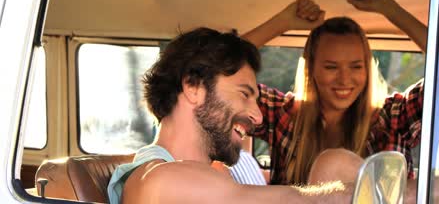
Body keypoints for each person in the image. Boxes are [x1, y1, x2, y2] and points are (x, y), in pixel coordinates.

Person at [107, 27, 357, 204]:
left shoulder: (207, 176)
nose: (258, 117)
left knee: (334, 163)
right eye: (244, 94)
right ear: (193, 87)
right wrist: (365, 194)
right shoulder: (158, 180)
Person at [243, 0, 427, 185]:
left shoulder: (394, 119)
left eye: (356, 67)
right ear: (311, 69)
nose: (344, 79)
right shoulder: (284, 115)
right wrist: (282, 22)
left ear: (367, 69)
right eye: (331, 67)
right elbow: (213, 75)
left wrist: (391, 9)